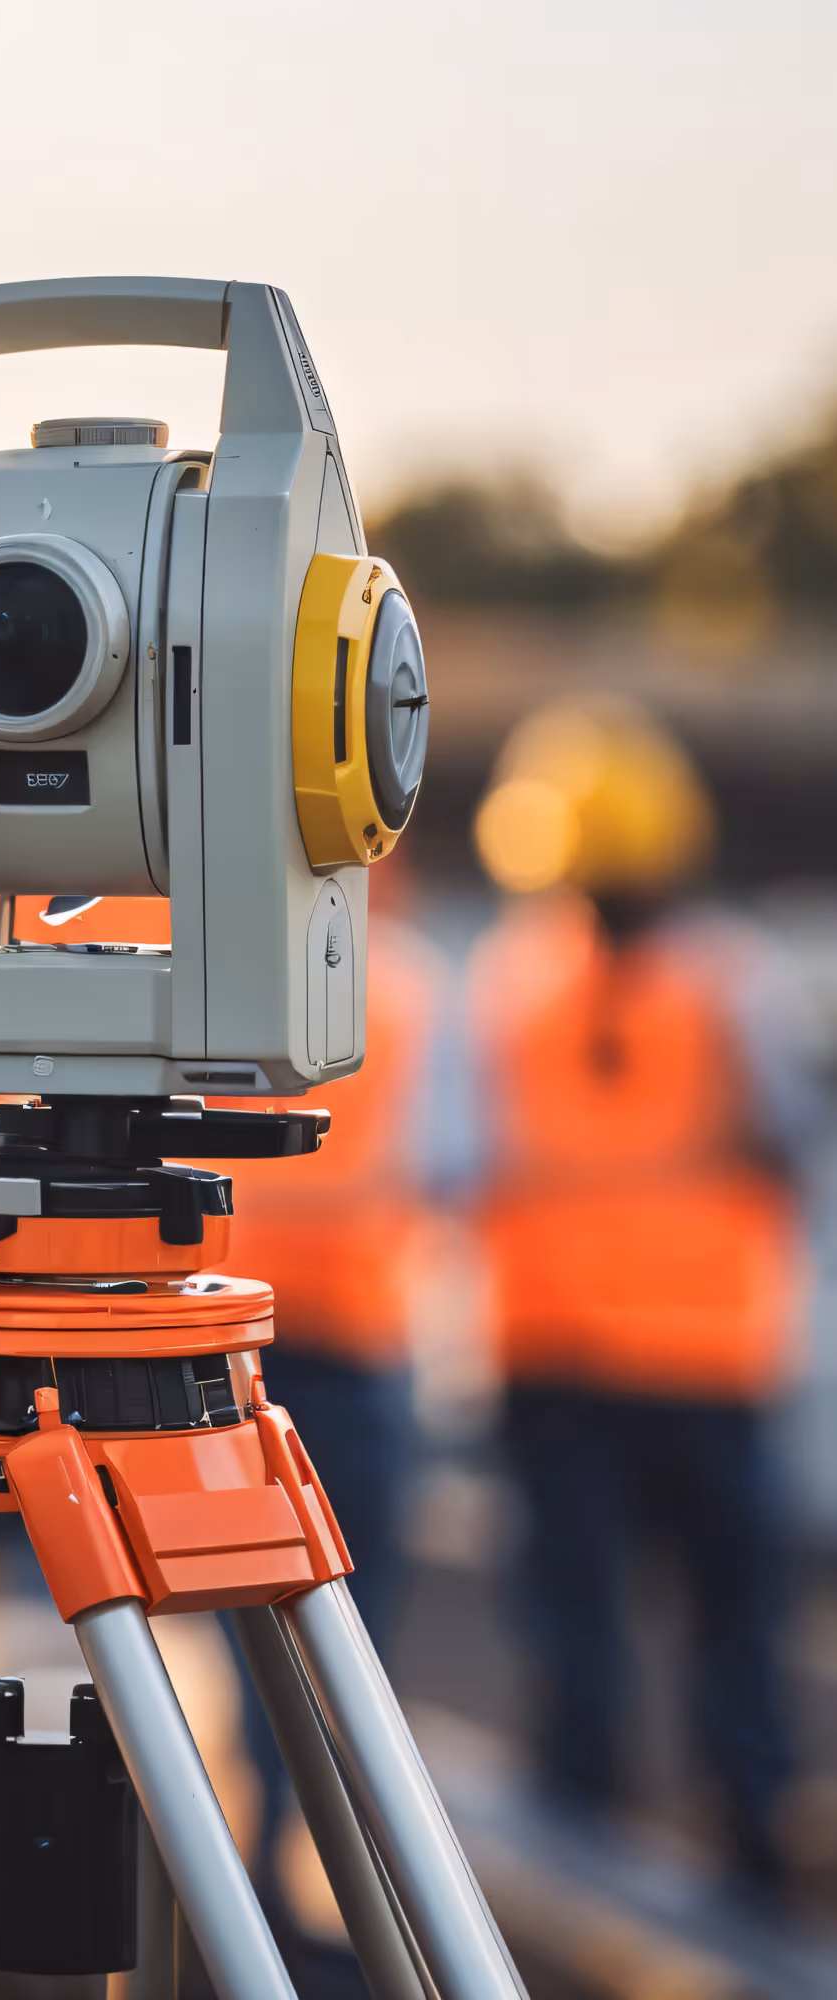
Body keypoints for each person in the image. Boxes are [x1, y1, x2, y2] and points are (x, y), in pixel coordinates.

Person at [466, 698, 811, 1888]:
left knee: (580, 1617)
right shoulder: (732, 978)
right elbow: (786, 1142)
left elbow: (460, 1162)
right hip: (687, 1357)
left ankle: (581, 1848)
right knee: (725, 1622)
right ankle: (749, 1831)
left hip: (562, 1350)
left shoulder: (507, 982)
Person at [208, 883, 450, 1933]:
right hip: (341, 1337)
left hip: (226, 1341)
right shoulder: (408, 984)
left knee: (243, 1615)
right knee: (344, 1626)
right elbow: (450, 1164)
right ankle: (340, 1881)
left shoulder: (207, 975)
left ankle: (264, 1869)